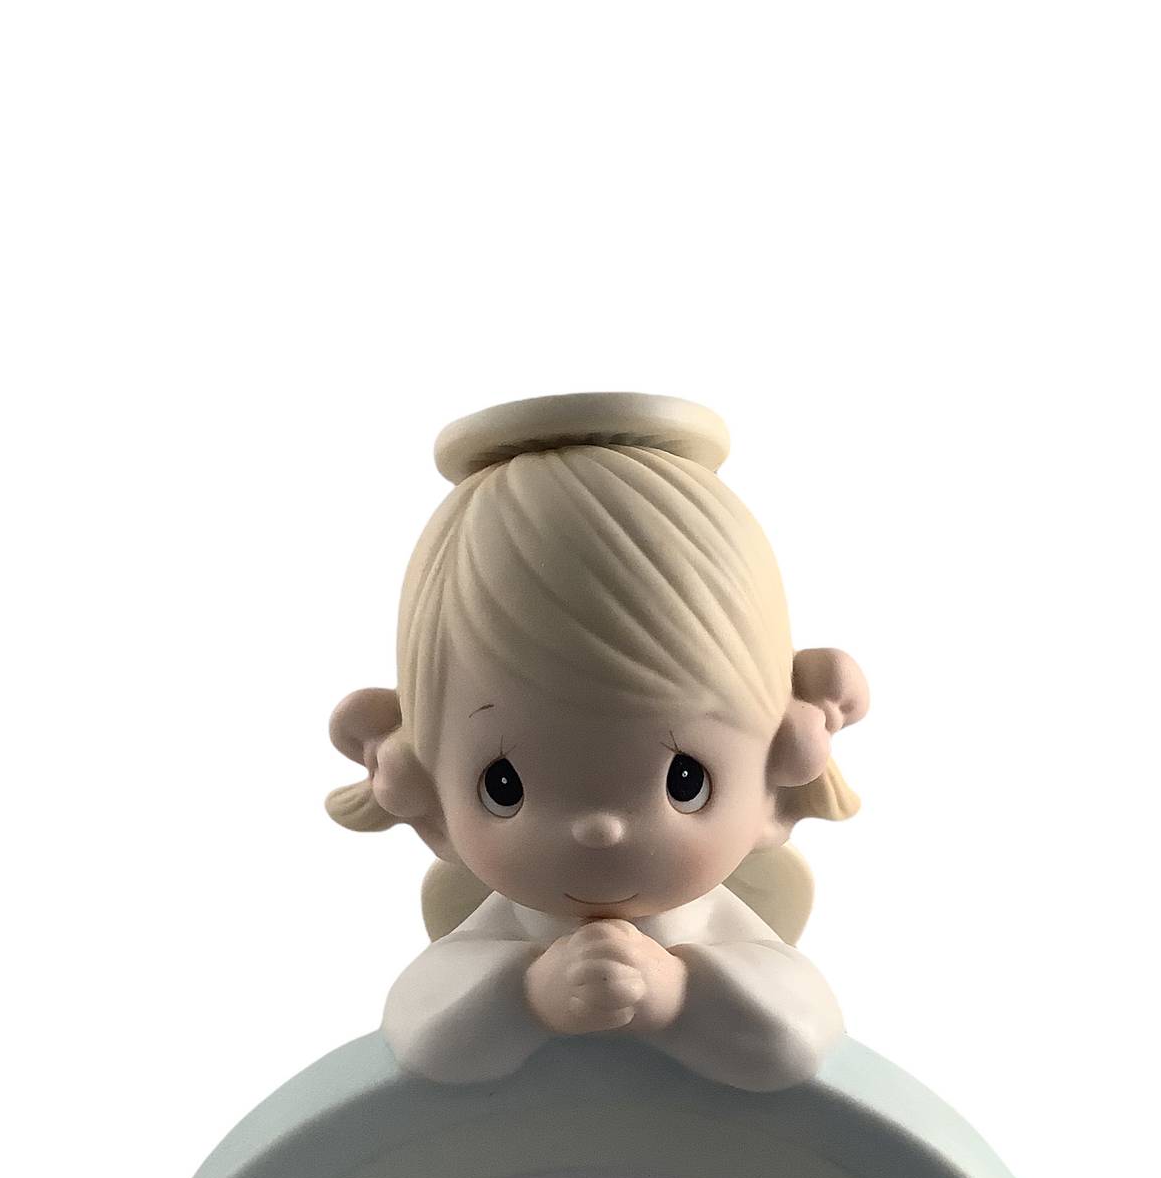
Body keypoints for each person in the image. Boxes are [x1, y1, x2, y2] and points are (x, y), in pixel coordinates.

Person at [325, 391, 869, 1091]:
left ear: (774, 784)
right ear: (432, 804)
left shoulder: (733, 943)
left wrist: (679, 993)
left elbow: (797, 1040)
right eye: (503, 787)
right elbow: (421, 1034)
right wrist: (527, 995)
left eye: (685, 782)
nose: (598, 829)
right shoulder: (491, 950)